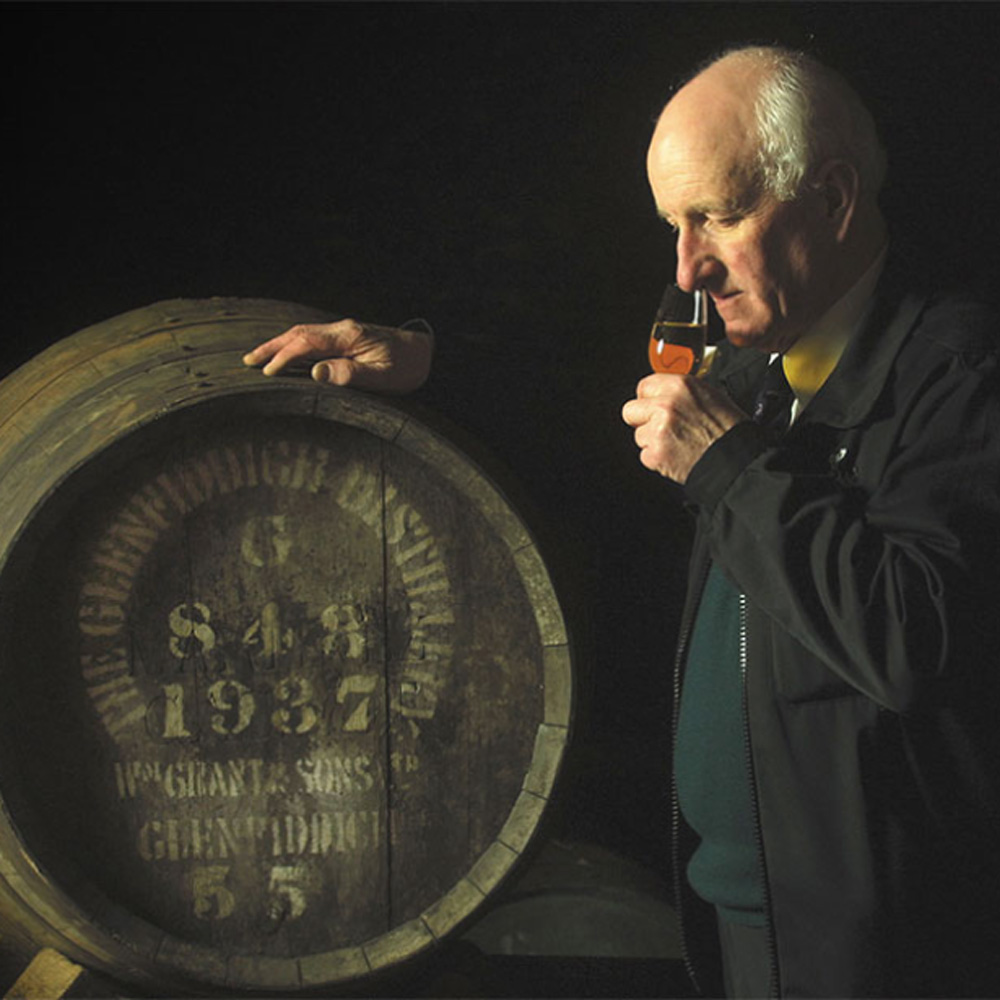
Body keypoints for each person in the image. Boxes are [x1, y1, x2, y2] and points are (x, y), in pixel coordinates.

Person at [245, 44, 1000, 998]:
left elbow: (915, 636)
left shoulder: (960, 378)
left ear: (835, 199)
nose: (687, 267)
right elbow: (598, 401)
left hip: (883, 949)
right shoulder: (762, 363)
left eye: (717, 217)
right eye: (673, 225)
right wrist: (428, 362)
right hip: (740, 913)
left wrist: (728, 467)